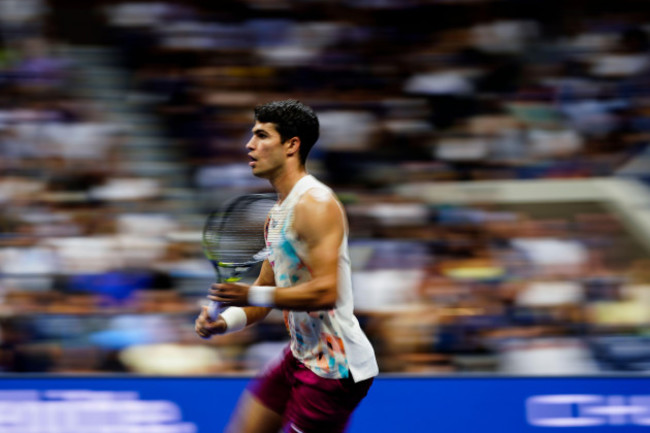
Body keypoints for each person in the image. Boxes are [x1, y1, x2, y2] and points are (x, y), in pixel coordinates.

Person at [195, 99, 378, 433]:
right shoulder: (278, 213)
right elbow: (264, 296)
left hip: (335, 371)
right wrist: (223, 323)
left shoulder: (315, 204)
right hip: (300, 356)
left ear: (292, 145)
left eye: (262, 136)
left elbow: (325, 292)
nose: (249, 145)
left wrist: (249, 295)